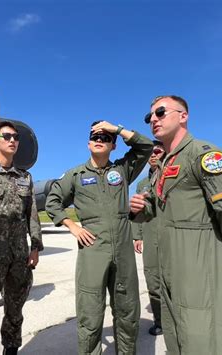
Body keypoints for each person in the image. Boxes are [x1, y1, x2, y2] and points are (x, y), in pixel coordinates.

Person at [130, 95, 222, 354]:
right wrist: (141, 208)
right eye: (150, 117)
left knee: (202, 341)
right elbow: (162, 206)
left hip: (199, 268)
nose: (153, 119)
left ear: (183, 116)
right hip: (170, 267)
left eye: (161, 112)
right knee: (177, 339)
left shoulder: (204, 156)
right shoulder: (166, 164)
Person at [45, 121, 153, 355]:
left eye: (105, 138)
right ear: (88, 143)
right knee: (90, 313)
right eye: (94, 136)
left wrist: (117, 129)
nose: (99, 140)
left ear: (113, 145)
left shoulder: (122, 170)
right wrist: (72, 226)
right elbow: (52, 202)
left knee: (127, 310)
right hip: (93, 248)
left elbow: (144, 147)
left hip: (123, 249)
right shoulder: (75, 175)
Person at [0, 121, 43, 355]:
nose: (12, 140)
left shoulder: (25, 177)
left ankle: (11, 349)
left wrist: (35, 247)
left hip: (19, 255)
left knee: (15, 308)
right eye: (6, 136)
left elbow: (31, 213)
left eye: (15, 137)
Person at [131, 141, 165, 336]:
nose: (153, 156)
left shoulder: (173, 177)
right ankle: (159, 321)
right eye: (150, 153)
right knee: (153, 280)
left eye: (158, 152)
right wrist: (137, 236)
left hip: (172, 237)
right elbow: (137, 210)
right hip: (150, 235)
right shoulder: (142, 184)